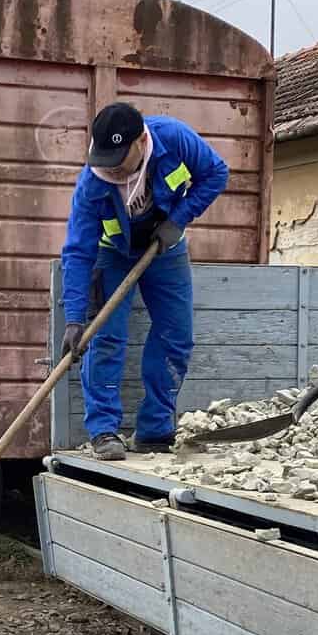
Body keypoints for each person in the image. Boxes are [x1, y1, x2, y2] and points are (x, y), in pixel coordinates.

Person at [59, 101, 229, 459]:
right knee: (105, 337)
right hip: (113, 255)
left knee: (176, 336)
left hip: (165, 248)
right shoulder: (93, 181)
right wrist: (75, 317)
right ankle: (104, 431)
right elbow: (78, 250)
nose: (112, 169)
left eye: (119, 160)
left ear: (141, 141)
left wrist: (178, 220)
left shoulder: (174, 138)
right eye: (105, 160)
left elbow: (216, 173)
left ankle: (154, 430)